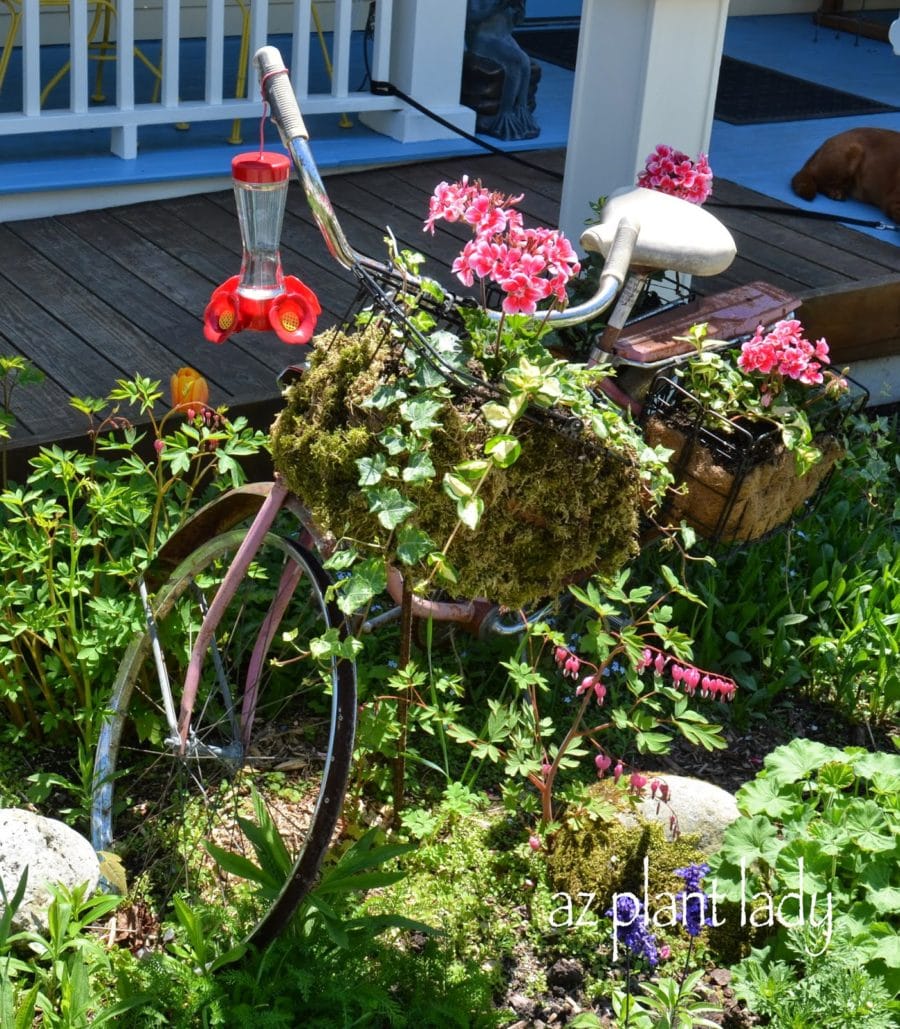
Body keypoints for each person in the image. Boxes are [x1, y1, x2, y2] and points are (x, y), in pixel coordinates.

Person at [464, 0, 540, 140]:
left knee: (524, 61)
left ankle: (521, 109)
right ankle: (505, 113)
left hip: (502, 36)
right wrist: (497, 7)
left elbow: (518, 21)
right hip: (483, 38)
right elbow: (469, 18)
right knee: (515, 62)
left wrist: (519, 9)